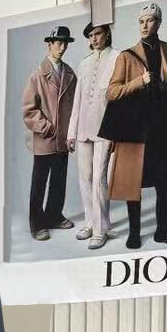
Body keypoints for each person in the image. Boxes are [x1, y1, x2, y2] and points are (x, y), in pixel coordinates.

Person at [99, 1, 167, 250]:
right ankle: (134, 233)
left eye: (150, 21)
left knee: (165, 180)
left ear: (159, 23)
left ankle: (164, 231)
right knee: (133, 179)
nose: (145, 26)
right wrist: (140, 80)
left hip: (161, 126)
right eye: (141, 21)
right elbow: (112, 92)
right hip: (135, 127)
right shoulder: (126, 56)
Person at [21, 24, 77, 241]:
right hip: (45, 138)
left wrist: (71, 132)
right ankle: (37, 224)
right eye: (58, 43)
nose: (62, 48)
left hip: (63, 139)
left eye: (65, 44)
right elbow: (29, 110)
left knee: (59, 180)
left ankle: (54, 216)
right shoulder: (37, 75)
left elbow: (75, 107)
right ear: (49, 45)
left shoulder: (70, 74)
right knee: (39, 182)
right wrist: (47, 127)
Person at [66, 21, 118, 249]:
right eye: (90, 36)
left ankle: (100, 229)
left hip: (105, 128)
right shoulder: (84, 63)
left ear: (106, 34)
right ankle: (90, 222)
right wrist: (71, 133)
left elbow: (120, 100)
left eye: (97, 34)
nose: (94, 39)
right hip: (83, 129)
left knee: (99, 178)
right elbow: (77, 100)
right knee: (85, 177)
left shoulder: (118, 57)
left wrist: (116, 131)